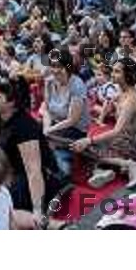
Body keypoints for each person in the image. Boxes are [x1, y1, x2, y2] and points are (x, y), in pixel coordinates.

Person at [0, 74, 66, 217]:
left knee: (1, 207)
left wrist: (37, 210)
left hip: (40, 175)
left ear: (12, 103)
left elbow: (34, 171)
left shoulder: (25, 127)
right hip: (13, 169)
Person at [72, 58, 136, 189]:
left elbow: (117, 130)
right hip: (122, 140)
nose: (112, 74)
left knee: (86, 146)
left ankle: (130, 165)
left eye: (117, 72)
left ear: (127, 75)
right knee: (81, 145)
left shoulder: (130, 99)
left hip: (132, 145)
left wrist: (89, 140)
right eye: (113, 71)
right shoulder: (122, 93)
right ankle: (106, 170)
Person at [41, 49, 91, 177]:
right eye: (53, 66)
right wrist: (47, 127)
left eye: (59, 66)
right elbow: (46, 109)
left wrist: (50, 130)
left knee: (62, 169)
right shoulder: (49, 81)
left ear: (67, 66)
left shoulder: (77, 85)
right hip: (54, 124)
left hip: (74, 129)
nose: (55, 70)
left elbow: (72, 120)